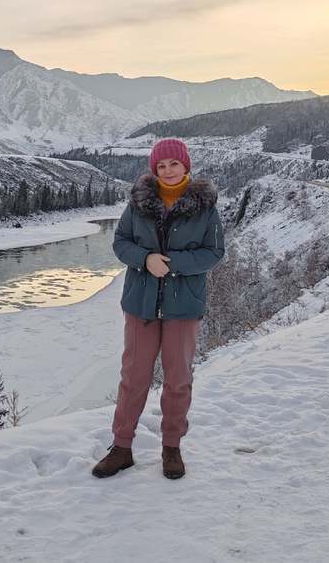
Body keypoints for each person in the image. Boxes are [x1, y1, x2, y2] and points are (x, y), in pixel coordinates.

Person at [93, 137, 224, 480]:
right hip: (140, 304)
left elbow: (214, 253)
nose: (167, 171)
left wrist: (172, 263)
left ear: (186, 167)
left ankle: (171, 448)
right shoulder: (138, 203)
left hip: (184, 306)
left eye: (174, 164)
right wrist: (146, 258)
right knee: (133, 378)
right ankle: (121, 447)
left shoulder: (205, 207)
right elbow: (121, 242)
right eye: (161, 165)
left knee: (178, 380)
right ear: (154, 169)